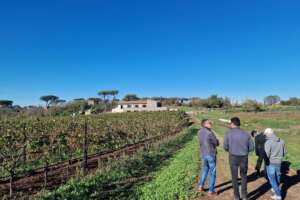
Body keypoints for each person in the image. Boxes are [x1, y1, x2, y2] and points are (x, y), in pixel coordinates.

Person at [224, 117, 254, 200]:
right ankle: (244, 196)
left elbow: (225, 147)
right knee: (244, 176)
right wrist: (245, 150)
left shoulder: (228, 133)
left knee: (234, 177)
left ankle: (236, 196)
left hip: (233, 157)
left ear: (232, 124)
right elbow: (251, 147)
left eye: (230, 123)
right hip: (243, 157)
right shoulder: (246, 134)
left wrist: (231, 150)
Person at [198, 119, 219, 197]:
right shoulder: (210, 133)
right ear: (204, 124)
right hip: (211, 154)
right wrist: (216, 141)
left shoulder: (199, 132)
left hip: (203, 153)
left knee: (205, 170)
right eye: (209, 123)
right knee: (212, 172)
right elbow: (216, 143)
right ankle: (211, 191)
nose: (211, 124)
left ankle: (200, 186)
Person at [264, 128, 286, 200]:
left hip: (271, 163)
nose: (265, 136)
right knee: (277, 177)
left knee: (272, 179)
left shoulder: (268, 142)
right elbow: (284, 152)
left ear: (268, 134)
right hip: (279, 162)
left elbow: (266, 154)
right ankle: (275, 188)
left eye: (265, 134)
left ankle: (278, 195)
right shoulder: (282, 141)